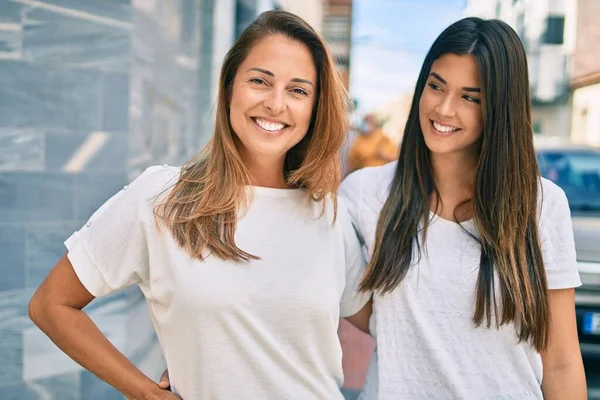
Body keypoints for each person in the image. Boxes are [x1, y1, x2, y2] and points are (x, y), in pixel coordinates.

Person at [28, 11, 371, 400]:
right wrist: (141, 391)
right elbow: (51, 305)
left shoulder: (329, 215)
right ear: (229, 88)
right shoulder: (163, 198)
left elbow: (388, 318)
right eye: (260, 81)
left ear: (314, 108)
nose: (276, 103)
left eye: (298, 90)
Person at [338, 17, 586, 399]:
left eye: (471, 97)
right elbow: (358, 305)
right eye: (436, 86)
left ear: (499, 110)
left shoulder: (541, 206)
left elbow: (562, 361)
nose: (445, 109)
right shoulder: (366, 193)